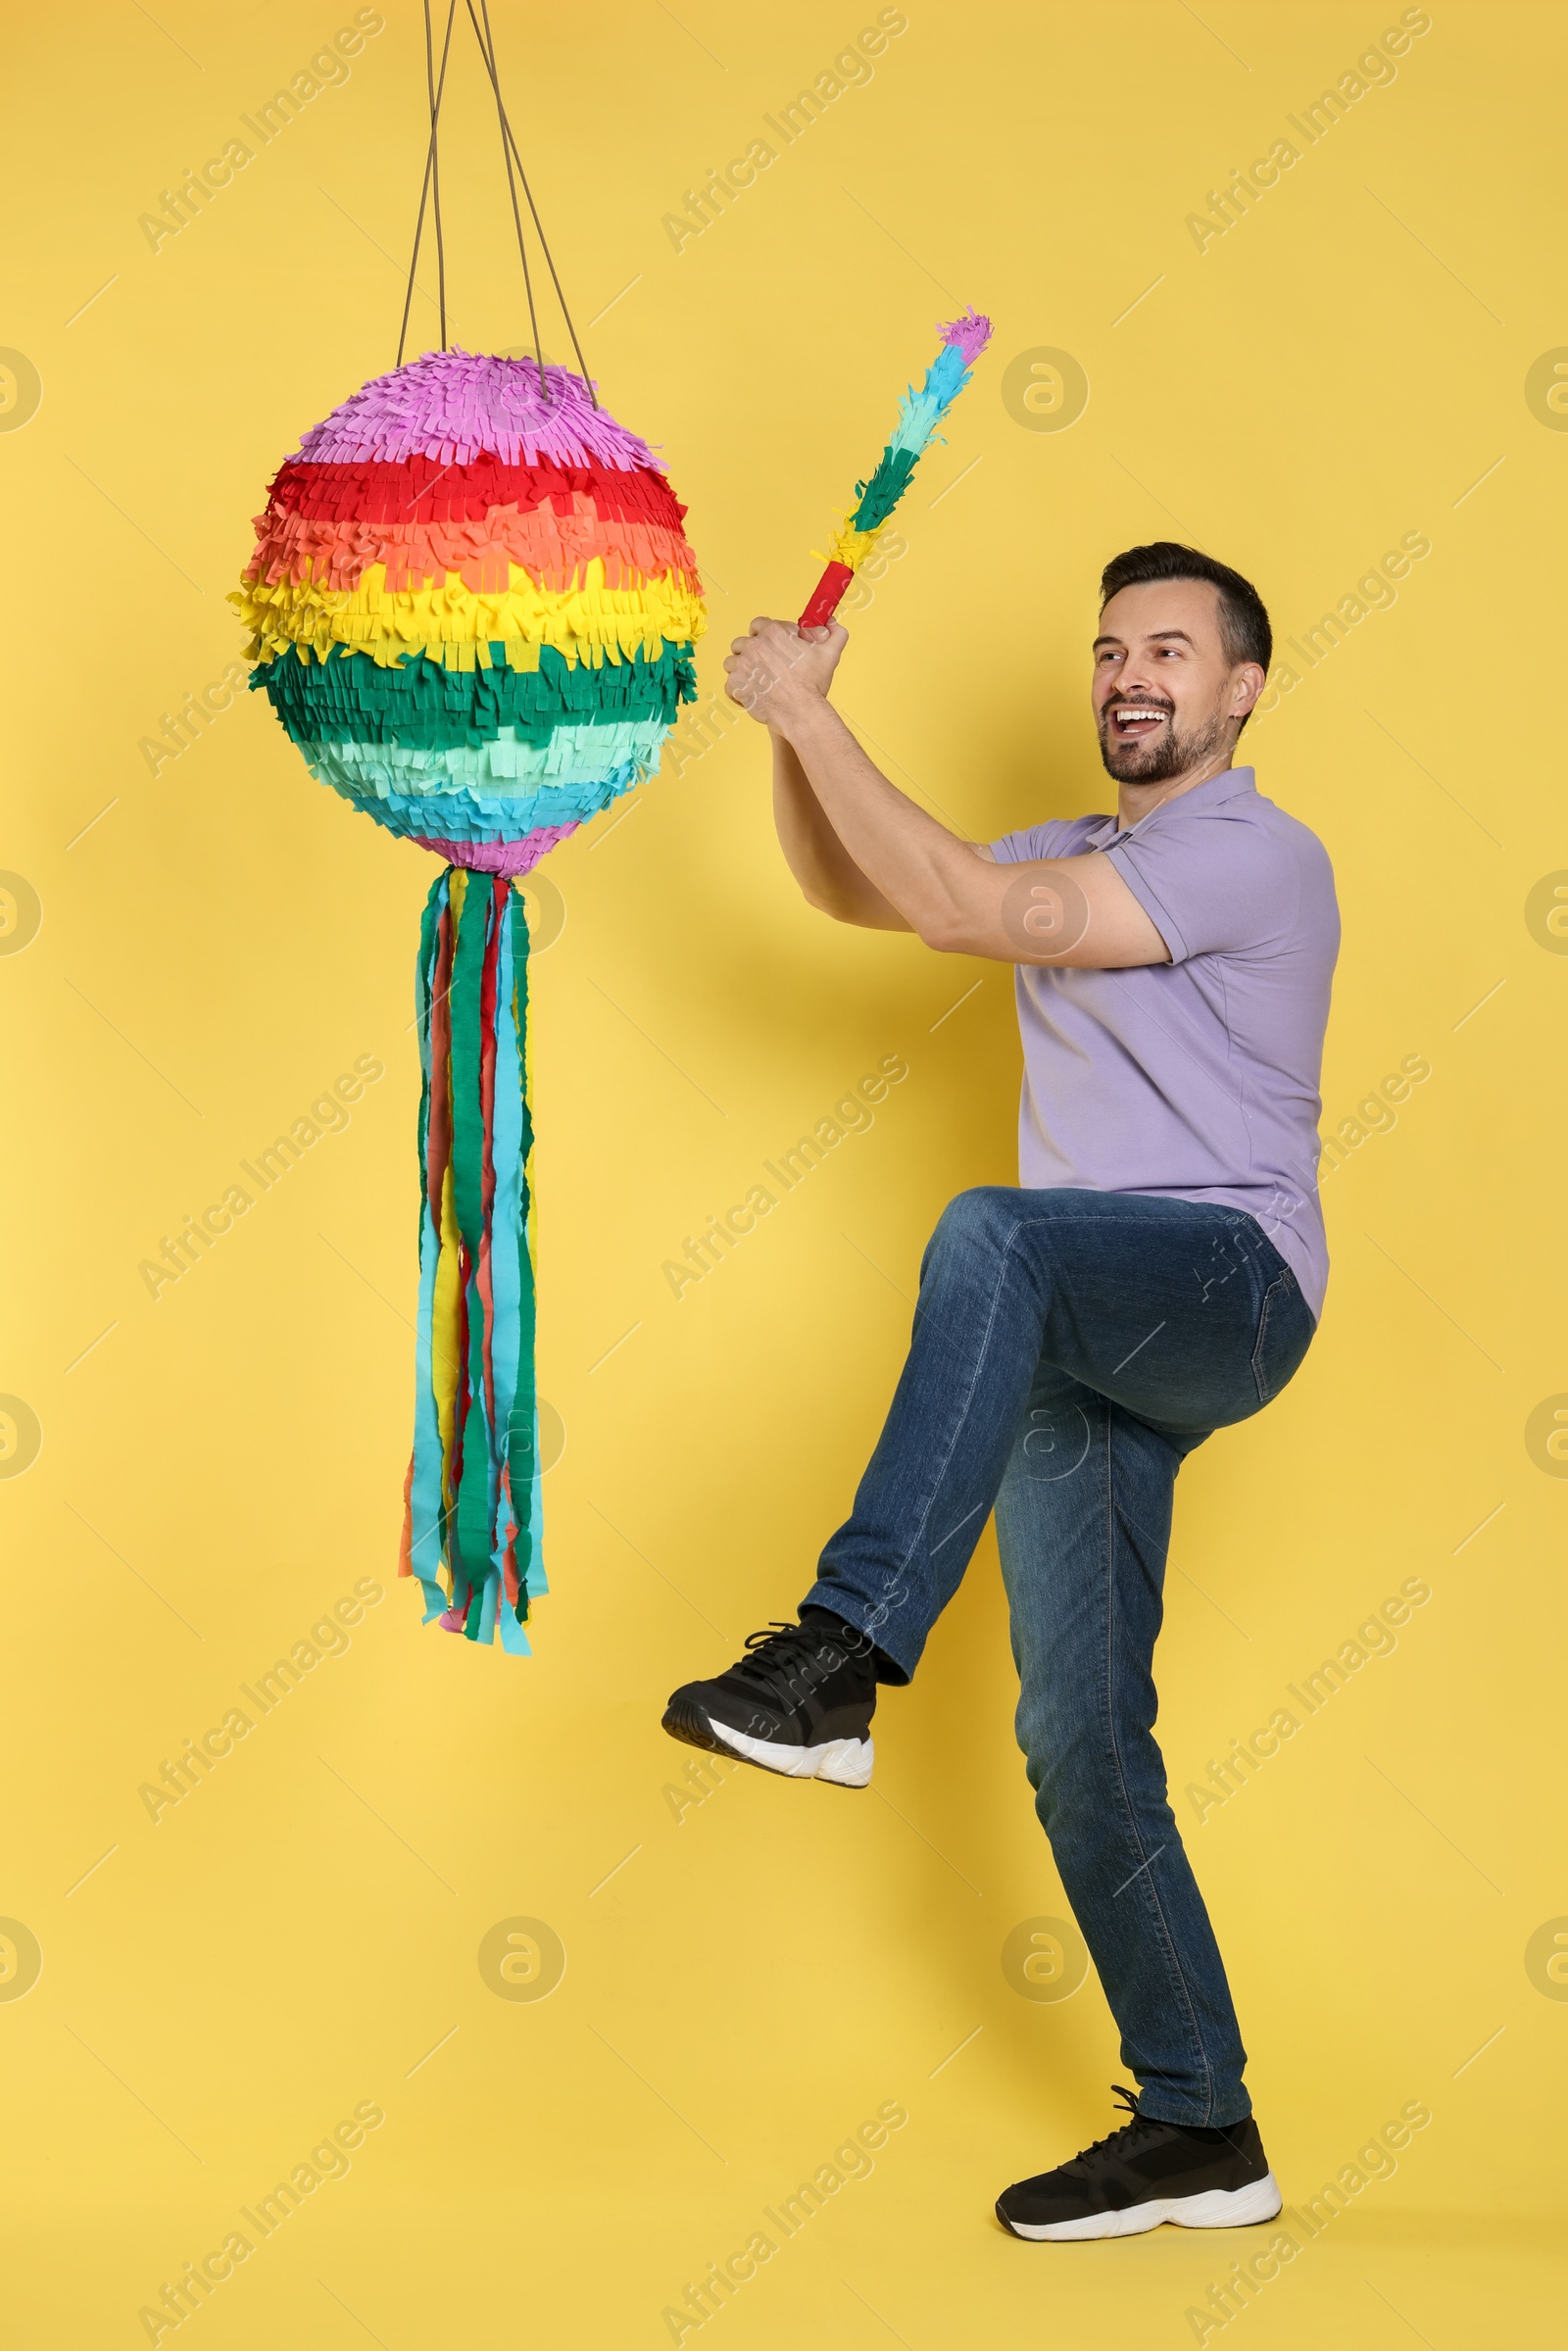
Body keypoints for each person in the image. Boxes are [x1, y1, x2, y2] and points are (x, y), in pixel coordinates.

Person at [662, 541, 1338, 2241]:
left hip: (1222, 1288)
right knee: (1080, 1741)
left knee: (991, 1232)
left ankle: (841, 1656)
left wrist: (819, 719)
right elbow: (863, 892)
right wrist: (786, 729)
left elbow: (966, 910)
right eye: (1111, 647)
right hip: (1068, 1328)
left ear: (1242, 690)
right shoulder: (1068, 852)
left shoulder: (1257, 856)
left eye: (1172, 651)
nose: (1132, 673)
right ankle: (1204, 2126)